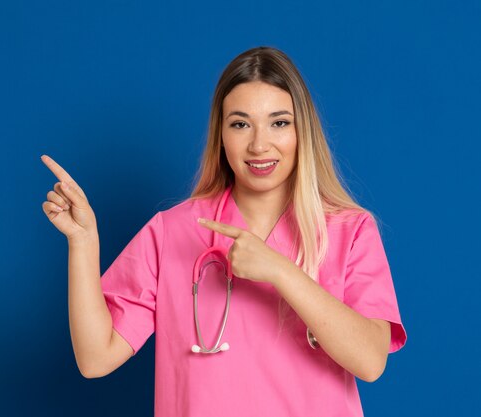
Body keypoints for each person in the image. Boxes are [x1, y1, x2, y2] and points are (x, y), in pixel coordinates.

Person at [40, 46, 407, 417]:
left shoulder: (350, 230)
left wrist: (280, 270)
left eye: (279, 122)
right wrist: (83, 242)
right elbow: (95, 357)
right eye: (240, 123)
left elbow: (370, 361)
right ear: (221, 135)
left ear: (302, 132)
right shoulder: (173, 231)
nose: (259, 144)